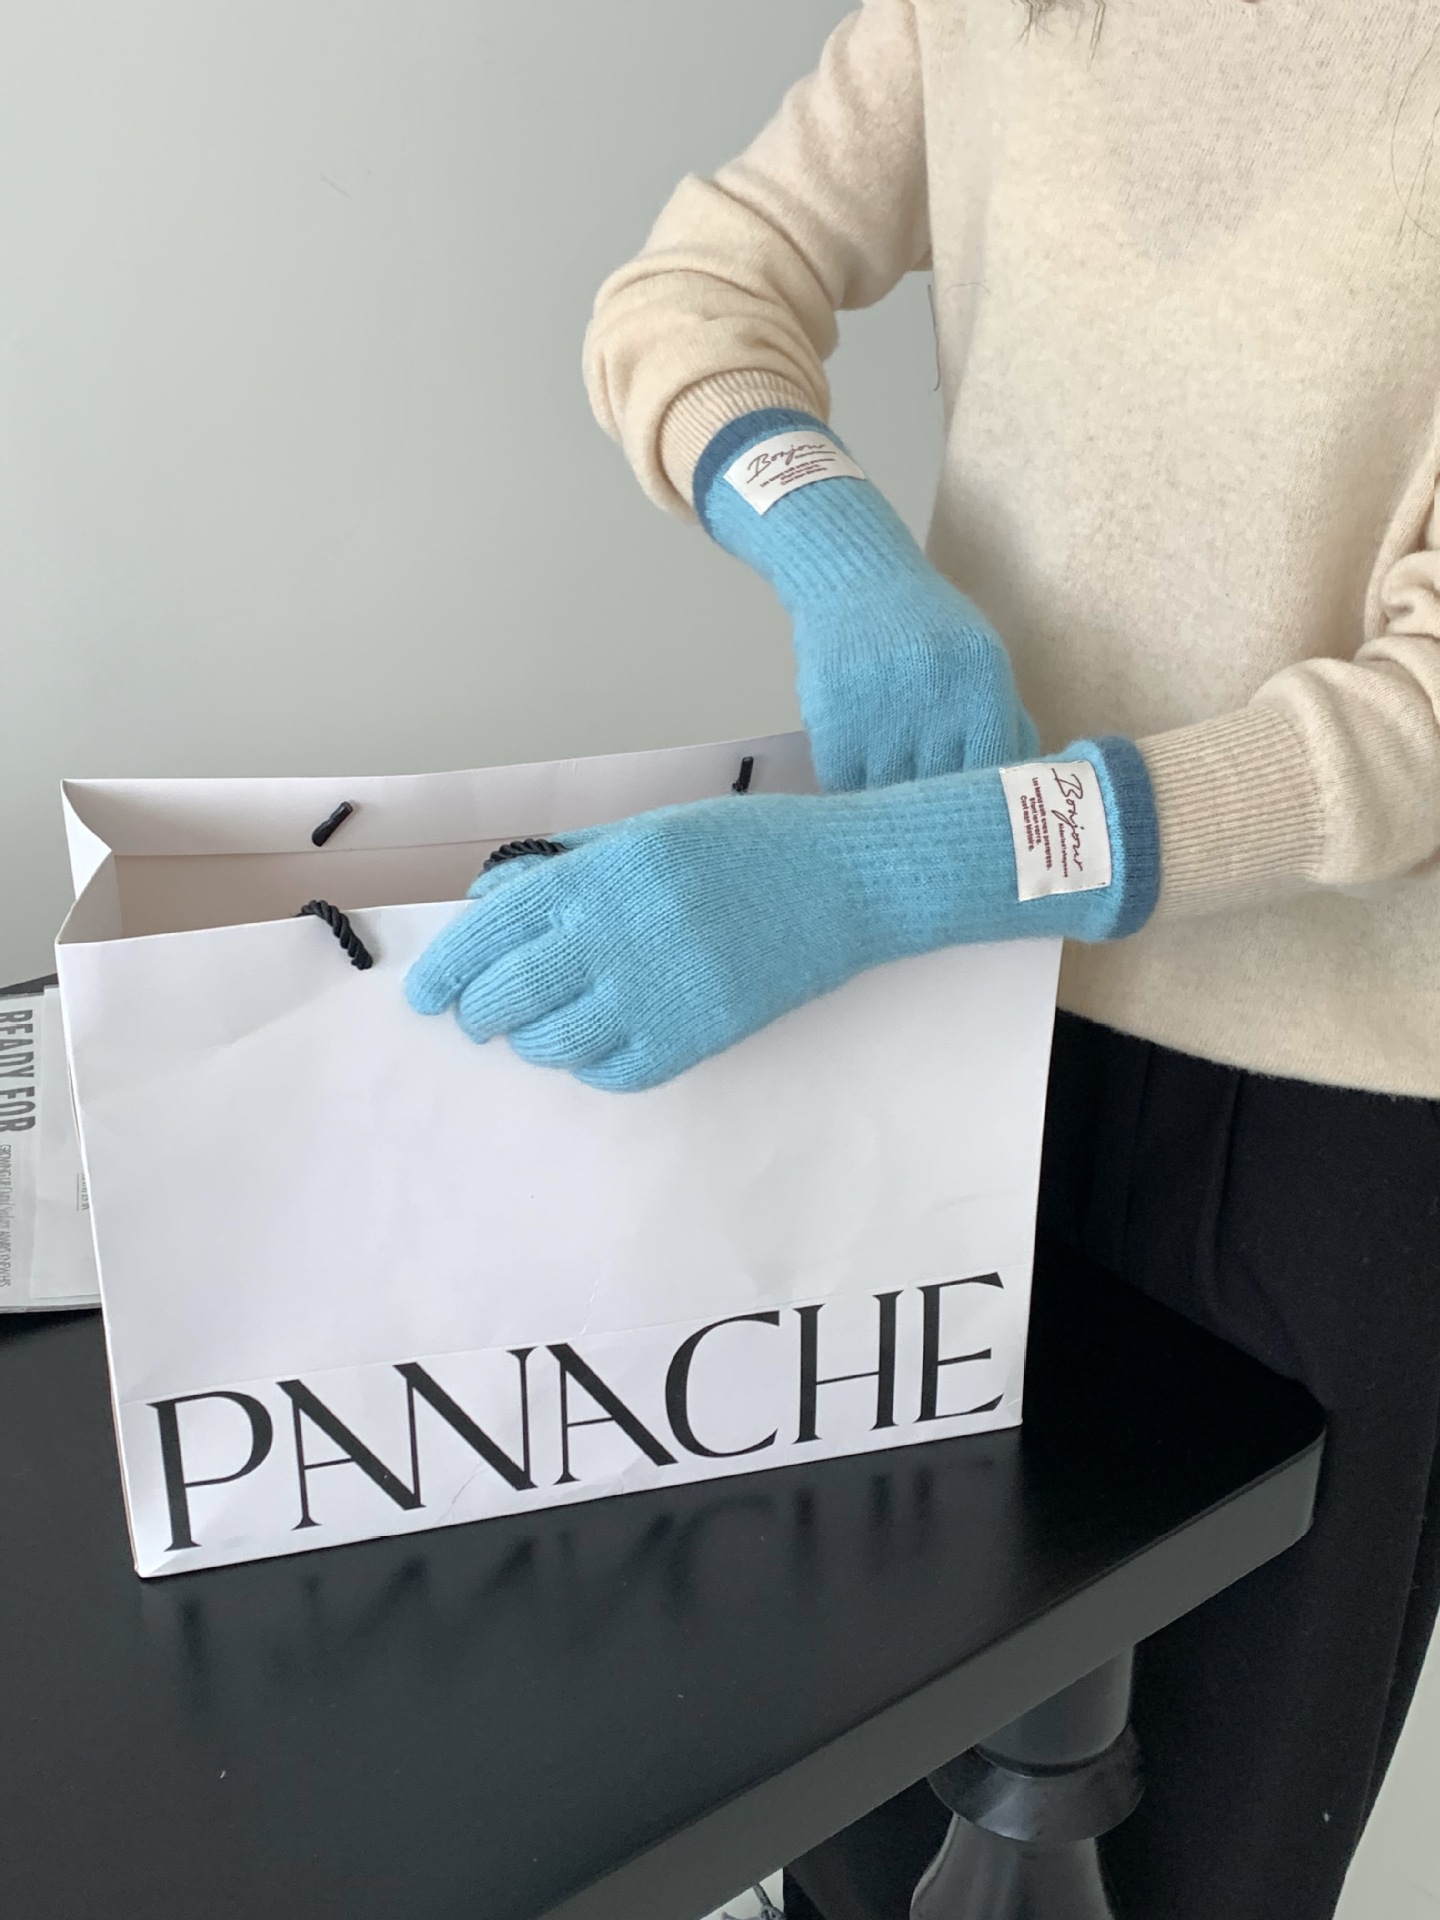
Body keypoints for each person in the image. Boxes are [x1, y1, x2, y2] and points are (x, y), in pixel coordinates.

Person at [405, 3, 1440, 1914]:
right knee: (850, 1788)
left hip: (1334, 1106)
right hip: (961, 1032)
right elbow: (698, 287)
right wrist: (837, 547)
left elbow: (1420, 724)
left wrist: (904, 869)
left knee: (1212, 1839)